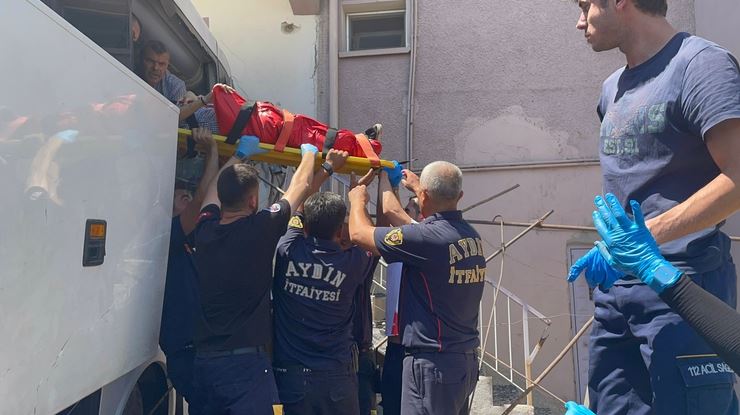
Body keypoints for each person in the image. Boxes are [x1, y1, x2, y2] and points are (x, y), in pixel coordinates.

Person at [568, 1, 740, 414]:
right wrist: (615, 251)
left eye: (585, 5)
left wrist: (647, 240)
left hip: (684, 285)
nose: (579, 22)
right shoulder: (611, 88)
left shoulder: (701, 65)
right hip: (616, 291)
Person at [191, 135, 319, 414]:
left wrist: (238, 155)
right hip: (245, 366)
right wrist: (310, 153)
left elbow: (211, 194)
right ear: (252, 201)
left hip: (205, 364)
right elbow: (301, 185)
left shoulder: (205, 231)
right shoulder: (261, 228)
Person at [347, 161, 485, 415]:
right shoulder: (469, 236)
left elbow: (358, 234)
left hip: (432, 365)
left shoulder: (426, 238)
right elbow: (400, 217)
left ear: (424, 195)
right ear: (460, 196)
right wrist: (416, 187)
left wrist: (357, 199)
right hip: (461, 360)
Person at [159, 128, 218, 414]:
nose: (187, 196)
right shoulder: (166, 235)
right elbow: (202, 200)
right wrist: (213, 152)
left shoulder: (187, 240)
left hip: (194, 350)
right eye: (181, 193)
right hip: (186, 354)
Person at [138, 40, 186, 104]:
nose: (155, 68)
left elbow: (179, 110)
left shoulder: (176, 86)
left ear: (167, 65)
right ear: (141, 59)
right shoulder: (129, 71)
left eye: (161, 64)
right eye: (151, 61)